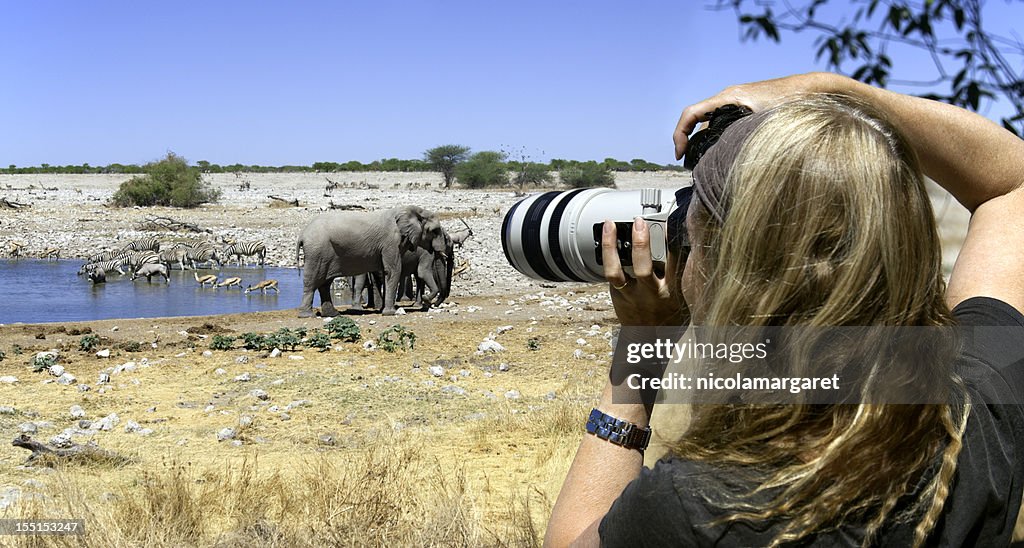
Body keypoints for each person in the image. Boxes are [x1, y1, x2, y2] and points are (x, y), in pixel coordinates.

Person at [544, 72, 1024, 547]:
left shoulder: (707, 507)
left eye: (693, 236)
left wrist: (641, 352)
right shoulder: (974, 407)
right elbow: (1012, 187)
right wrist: (834, 91)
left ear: (733, 275)